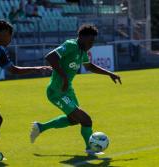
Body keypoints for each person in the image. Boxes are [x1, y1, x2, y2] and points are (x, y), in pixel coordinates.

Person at [30, 24, 121, 155]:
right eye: (90, 41)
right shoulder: (71, 45)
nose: (91, 44)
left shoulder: (82, 51)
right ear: (81, 37)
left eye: (93, 42)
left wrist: (109, 73)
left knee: (74, 120)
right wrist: (64, 78)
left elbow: (89, 66)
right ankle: (90, 149)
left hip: (67, 90)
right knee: (86, 120)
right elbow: (50, 57)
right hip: (57, 91)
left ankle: (40, 127)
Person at [0, 20, 52, 153]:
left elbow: (13, 70)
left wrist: (36, 68)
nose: (11, 38)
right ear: (1, 33)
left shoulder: (0, 51)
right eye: (10, 35)